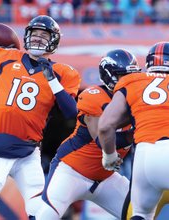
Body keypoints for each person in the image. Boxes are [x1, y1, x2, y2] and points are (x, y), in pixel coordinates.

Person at [0, 15, 81, 220]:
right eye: (34, 34)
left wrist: (51, 80)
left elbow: (71, 112)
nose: (37, 39)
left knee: (40, 214)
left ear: (54, 40)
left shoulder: (63, 72)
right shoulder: (7, 57)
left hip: (26, 154)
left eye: (44, 35)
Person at [35, 49, 140, 220]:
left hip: (105, 178)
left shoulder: (137, 97)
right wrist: (136, 133)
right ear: (109, 76)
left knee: (140, 213)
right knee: (46, 216)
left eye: (132, 75)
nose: (130, 80)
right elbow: (101, 138)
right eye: (123, 76)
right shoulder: (94, 97)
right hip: (71, 171)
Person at [98, 41, 169, 220]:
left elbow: (105, 126)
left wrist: (109, 156)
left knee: (140, 215)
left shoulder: (133, 80)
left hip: (144, 156)